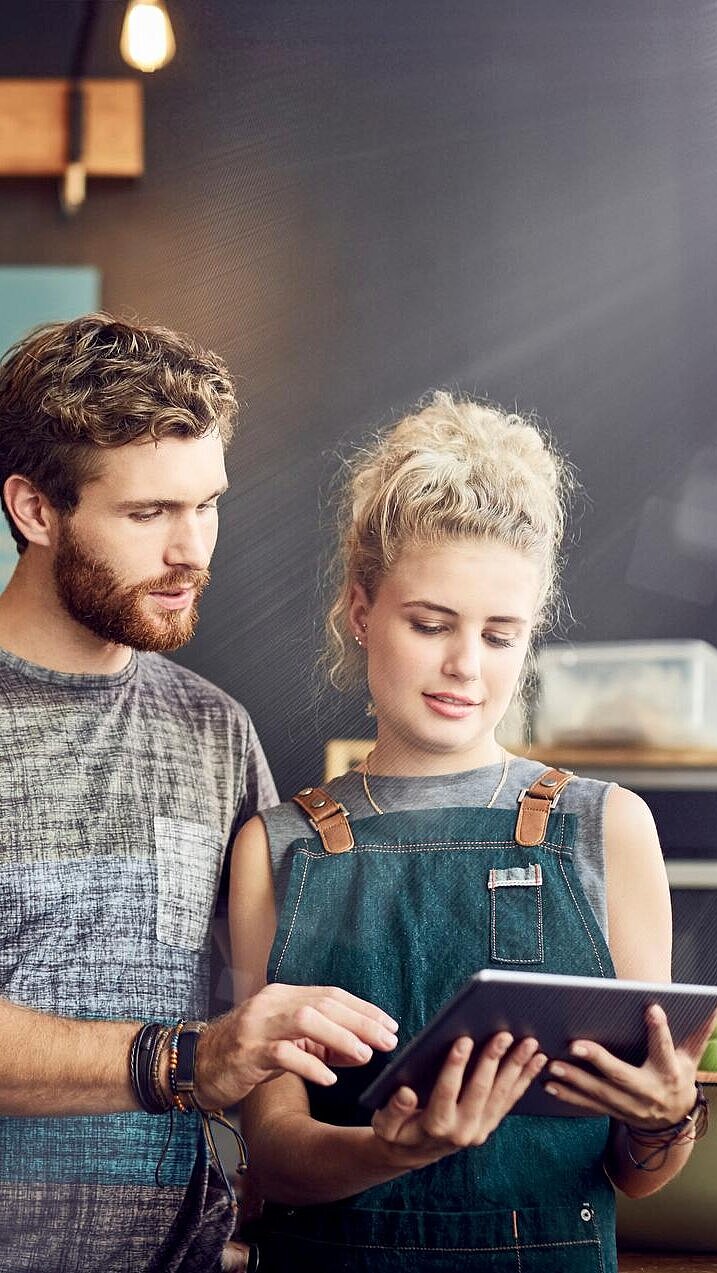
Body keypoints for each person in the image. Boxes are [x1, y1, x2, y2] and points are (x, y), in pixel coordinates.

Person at [230, 392, 717, 1272]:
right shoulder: (277, 846)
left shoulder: (608, 828)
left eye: (501, 635)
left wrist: (666, 1115)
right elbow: (272, 1151)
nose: (466, 665)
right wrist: (391, 1150)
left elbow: (637, 1174)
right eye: (431, 623)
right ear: (359, 608)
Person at [0, 313, 398, 1273]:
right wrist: (185, 1059)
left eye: (206, 504)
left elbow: (257, 1002)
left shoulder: (214, 728)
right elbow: (210, 1046)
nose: (192, 551)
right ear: (36, 510)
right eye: (148, 514)